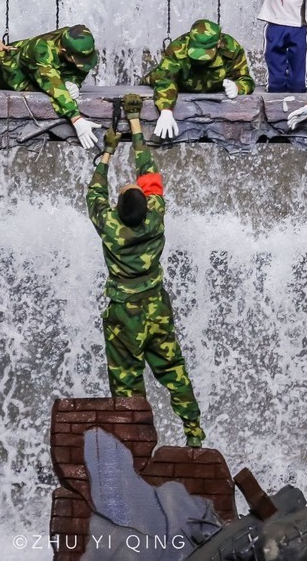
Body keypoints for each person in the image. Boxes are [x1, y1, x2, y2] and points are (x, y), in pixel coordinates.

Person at [87, 92, 204, 448]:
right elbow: (148, 170)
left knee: (126, 382)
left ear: (117, 209)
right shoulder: (155, 216)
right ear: (146, 202)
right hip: (156, 306)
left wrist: (107, 152)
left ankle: (136, 447)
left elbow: (94, 194)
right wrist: (136, 122)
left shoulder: (110, 225)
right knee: (173, 369)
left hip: (124, 314)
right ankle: (194, 434)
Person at [0, 24, 103, 148]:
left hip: (35, 72)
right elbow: (53, 85)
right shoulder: (41, 49)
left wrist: (73, 82)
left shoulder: (75, 38)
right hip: (4, 70)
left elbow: (82, 67)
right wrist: (76, 118)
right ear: (64, 51)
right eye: (77, 60)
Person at [141, 19, 255, 139]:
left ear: (218, 43)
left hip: (214, 85)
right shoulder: (178, 48)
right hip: (181, 84)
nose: (201, 59)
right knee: (154, 77)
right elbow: (165, 79)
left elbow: (246, 80)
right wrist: (166, 111)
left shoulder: (232, 49)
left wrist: (237, 87)